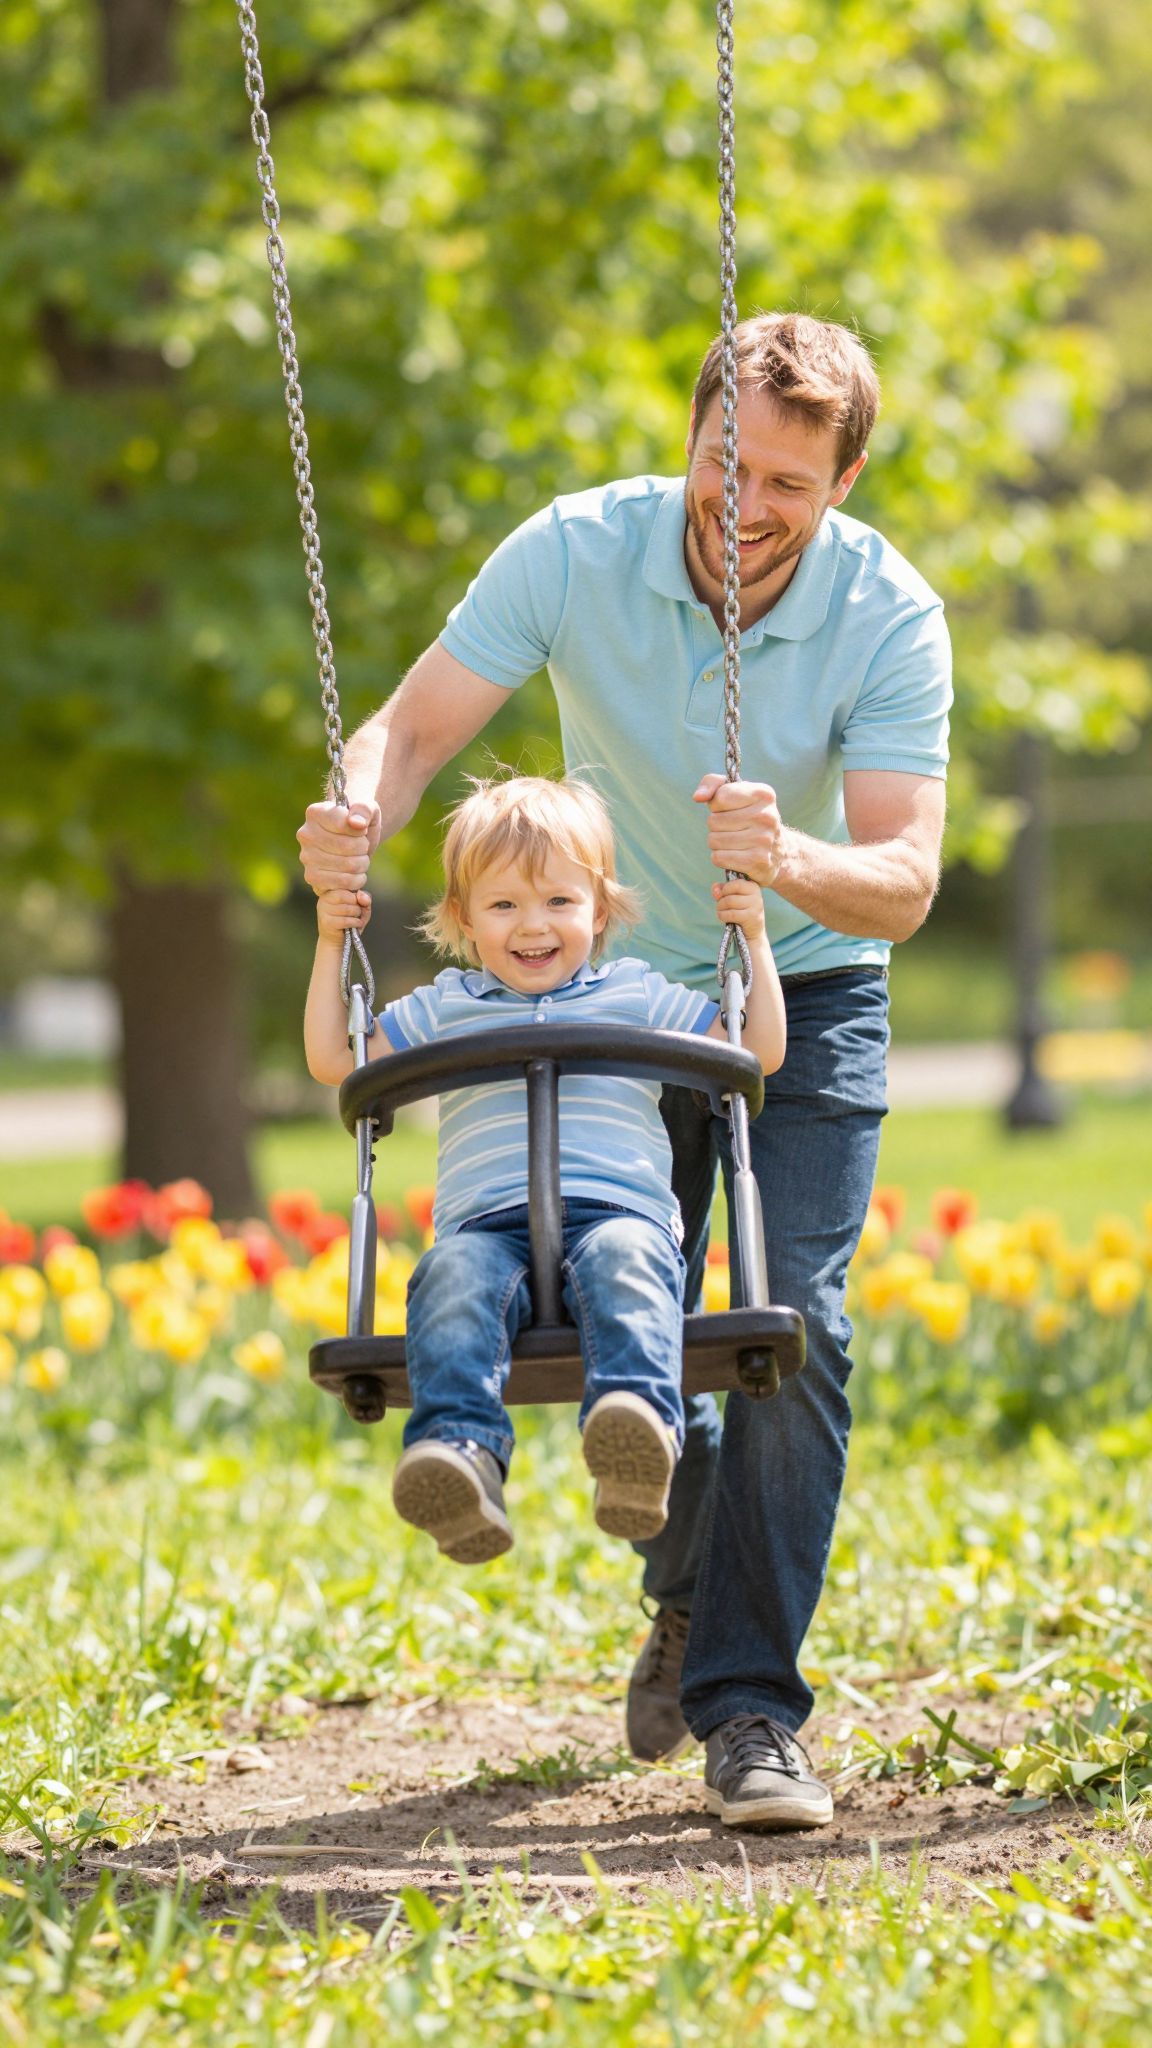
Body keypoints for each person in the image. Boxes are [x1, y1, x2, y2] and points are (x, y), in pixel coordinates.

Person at [298, 312, 951, 1833]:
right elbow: (409, 730)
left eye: (790, 479)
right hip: (593, 999)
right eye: (729, 459)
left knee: (797, 1328)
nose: (748, 500)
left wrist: (777, 859)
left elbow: (906, 878)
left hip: (799, 981)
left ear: (844, 481)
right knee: (593, 1311)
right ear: (690, 433)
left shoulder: (888, 614)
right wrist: (352, 815)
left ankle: (747, 1710)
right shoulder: (575, 552)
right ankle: (690, 1578)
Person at [305, 773, 785, 1566]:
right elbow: (334, 1057)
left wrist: (755, 938)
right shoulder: (446, 1005)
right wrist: (331, 941)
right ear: (462, 918)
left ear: (600, 909)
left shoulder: (634, 995)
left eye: (560, 902)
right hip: (485, 1229)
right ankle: (461, 1459)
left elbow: (755, 1050)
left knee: (632, 1267)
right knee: (451, 1280)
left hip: (616, 1214)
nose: (534, 926)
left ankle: (635, 1435)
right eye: (503, 906)